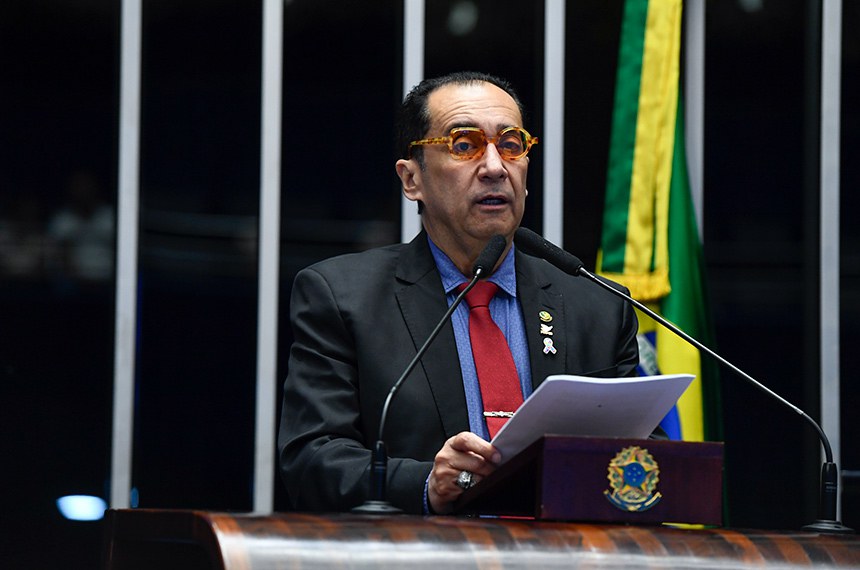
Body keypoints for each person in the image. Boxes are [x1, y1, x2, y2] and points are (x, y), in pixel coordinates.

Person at [278, 71, 639, 515]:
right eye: (464, 145)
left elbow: (646, 457)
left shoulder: (598, 305)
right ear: (412, 180)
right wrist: (426, 483)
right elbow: (312, 459)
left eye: (510, 144)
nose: (493, 167)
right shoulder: (342, 298)